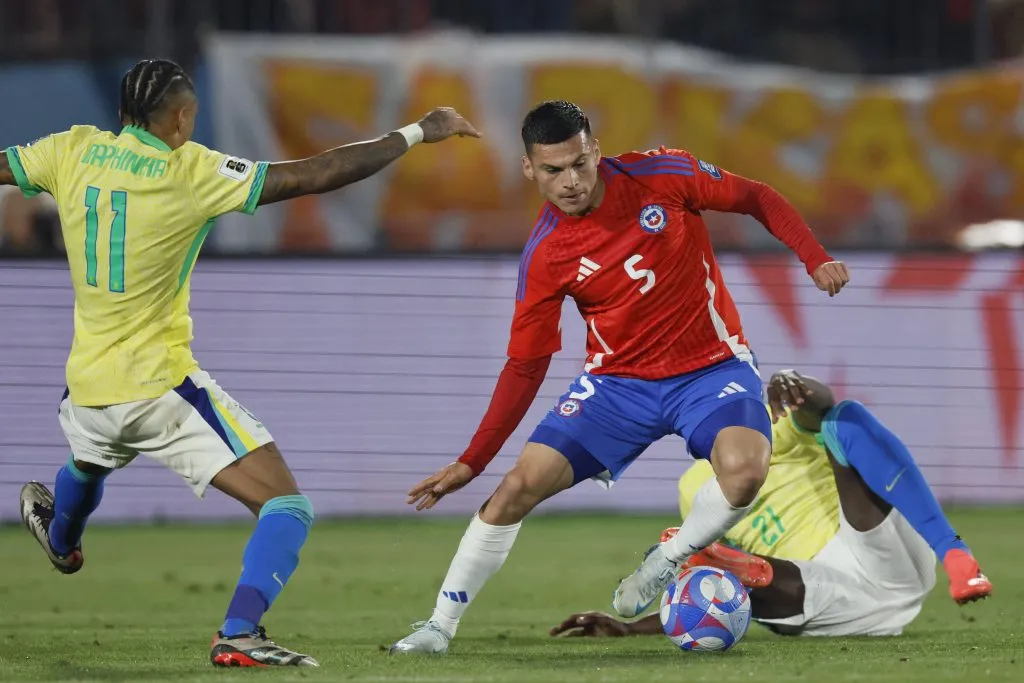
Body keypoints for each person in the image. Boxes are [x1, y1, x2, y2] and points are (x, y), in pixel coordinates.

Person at [0, 58, 480, 668]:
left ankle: (62, 540)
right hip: (159, 390)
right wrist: (417, 132)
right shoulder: (189, 169)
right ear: (180, 117)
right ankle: (239, 633)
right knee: (287, 507)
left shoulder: (69, 150)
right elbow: (315, 174)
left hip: (87, 389)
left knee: (91, 460)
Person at [389, 100, 849, 655]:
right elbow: (526, 365)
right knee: (514, 489)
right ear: (529, 170)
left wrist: (813, 256)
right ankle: (438, 627)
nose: (571, 181)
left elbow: (755, 196)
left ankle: (672, 557)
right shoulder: (545, 255)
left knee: (746, 473)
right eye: (553, 170)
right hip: (616, 386)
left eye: (579, 163)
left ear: (596, 150)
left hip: (710, 370)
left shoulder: (661, 175)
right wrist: (473, 460)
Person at [550, 369, 992, 639]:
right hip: (823, 599)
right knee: (707, 571)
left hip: (876, 549)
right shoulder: (693, 490)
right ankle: (737, 567)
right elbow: (706, 597)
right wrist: (627, 629)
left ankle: (953, 552)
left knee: (842, 420)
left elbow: (818, 405)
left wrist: (795, 384)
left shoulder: (767, 423)